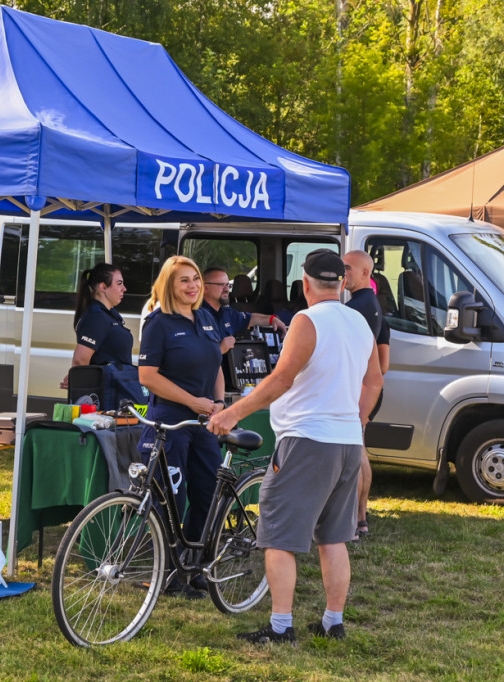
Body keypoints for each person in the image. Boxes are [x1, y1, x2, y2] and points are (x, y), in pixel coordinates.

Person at [208, 249, 383, 644]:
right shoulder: (358, 321)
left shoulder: (306, 320)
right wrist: (356, 418)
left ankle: (280, 626)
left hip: (307, 440)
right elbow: (374, 380)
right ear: (341, 282)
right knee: (334, 537)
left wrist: (232, 413)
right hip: (346, 443)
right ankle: (332, 622)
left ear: (304, 284)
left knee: (277, 535)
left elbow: (281, 380)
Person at [138, 255, 225, 598]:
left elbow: (216, 361)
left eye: (196, 279)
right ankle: (170, 574)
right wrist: (193, 402)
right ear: (168, 286)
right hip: (171, 420)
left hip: (205, 420)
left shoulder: (205, 317)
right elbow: (148, 377)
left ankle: (197, 565)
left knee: (207, 493)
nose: (192, 286)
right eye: (183, 281)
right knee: (172, 498)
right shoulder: (158, 323)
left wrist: (218, 403)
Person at [342, 250, 391, 540]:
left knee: (355, 455)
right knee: (360, 453)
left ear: (364, 274)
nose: (342, 273)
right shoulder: (373, 306)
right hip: (369, 388)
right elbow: (382, 365)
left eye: (347, 268)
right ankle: (360, 518)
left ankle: (354, 521)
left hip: (358, 390)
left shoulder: (356, 307)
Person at [60, 263, 132, 390]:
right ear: (103, 287)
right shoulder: (96, 316)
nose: (124, 288)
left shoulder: (110, 314)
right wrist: (80, 386)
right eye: (119, 283)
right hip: (104, 395)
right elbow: (80, 361)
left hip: (117, 390)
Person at [201, 267, 286, 354]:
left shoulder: (227, 312)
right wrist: (220, 350)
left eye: (228, 285)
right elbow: (192, 359)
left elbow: (249, 318)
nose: (227, 289)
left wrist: (272, 319)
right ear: (205, 288)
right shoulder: (196, 316)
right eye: (221, 285)